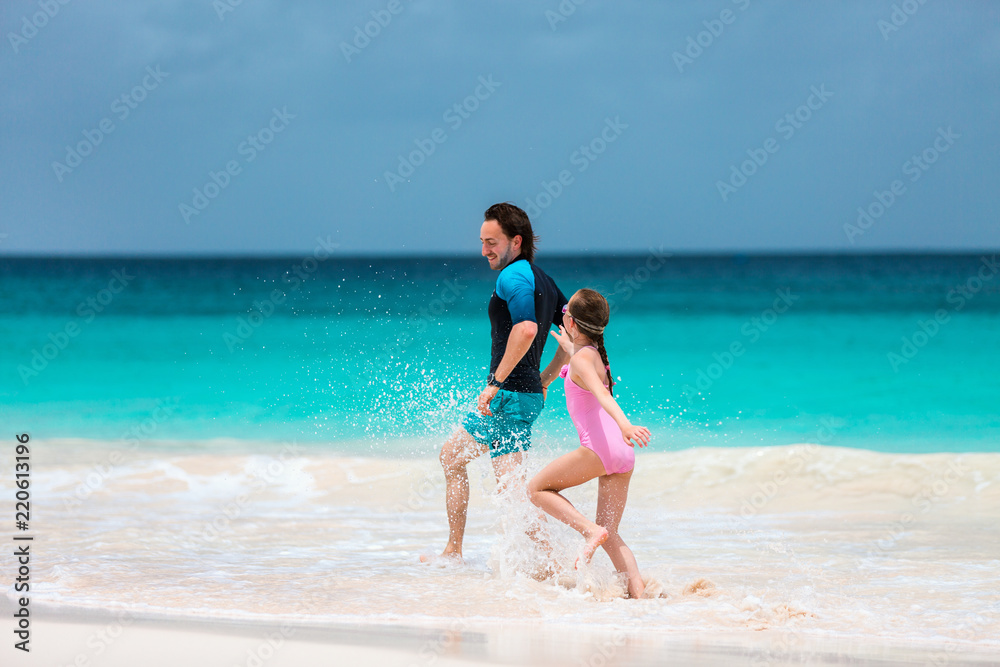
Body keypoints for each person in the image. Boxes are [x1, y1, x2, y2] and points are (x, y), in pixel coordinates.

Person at [422, 203, 570, 563]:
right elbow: (569, 335)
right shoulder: (544, 281)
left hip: (508, 395)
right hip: (523, 394)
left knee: (513, 490)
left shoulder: (513, 277)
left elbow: (526, 328)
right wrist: (546, 379)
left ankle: (555, 565)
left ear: (515, 241)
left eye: (492, 242)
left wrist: (495, 383)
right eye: (483, 241)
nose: (484, 250)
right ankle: (455, 550)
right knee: (457, 459)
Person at [528, 288, 651, 599]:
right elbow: (585, 368)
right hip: (622, 455)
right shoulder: (592, 354)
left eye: (566, 311)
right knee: (613, 536)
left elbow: (602, 395)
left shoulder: (583, 359)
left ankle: (588, 531)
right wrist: (568, 345)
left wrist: (626, 425)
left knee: (536, 490)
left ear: (572, 322)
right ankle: (642, 603)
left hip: (601, 448)